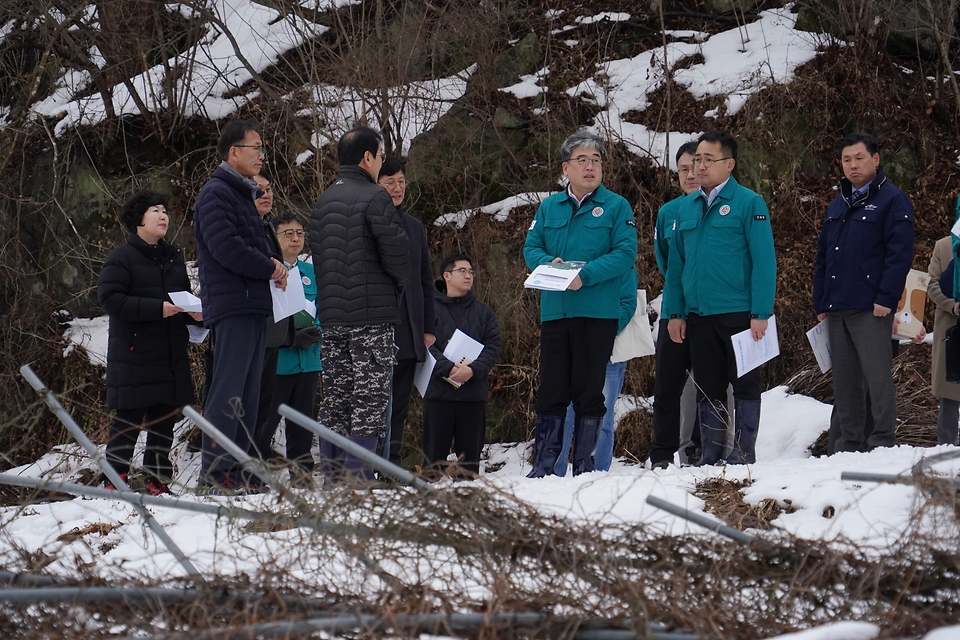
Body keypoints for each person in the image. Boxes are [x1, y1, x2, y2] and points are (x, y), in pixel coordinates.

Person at [523, 130, 637, 477]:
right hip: (556, 312)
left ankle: (584, 466)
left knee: (590, 391)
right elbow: (531, 248)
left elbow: (625, 253)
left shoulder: (617, 206)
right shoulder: (548, 207)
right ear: (565, 168)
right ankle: (544, 465)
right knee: (552, 390)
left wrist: (583, 275)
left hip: (597, 311)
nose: (590, 167)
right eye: (582, 160)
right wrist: (549, 266)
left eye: (596, 160)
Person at [665, 130, 777, 466]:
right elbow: (675, 267)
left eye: (707, 159)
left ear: (729, 164)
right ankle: (711, 453)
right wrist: (675, 312)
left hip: (740, 314)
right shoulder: (686, 207)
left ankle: (743, 452)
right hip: (699, 314)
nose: (699, 166)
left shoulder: (749, 203)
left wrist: (761, 312)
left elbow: (764, 261)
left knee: (744, 384)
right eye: (696, 159)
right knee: (708, 386)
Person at [308, 126, 410, 482]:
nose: (381, 163)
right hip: (371, 316)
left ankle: (334, 478)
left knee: (336, 397)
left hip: (333, 317)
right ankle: (358, 479)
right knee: (369, 398)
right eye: (380, 156)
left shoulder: (323, 200)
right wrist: (395, 285)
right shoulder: (374, 196)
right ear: (368, 157)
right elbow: (399, 257)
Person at [194, 120, 288, 491]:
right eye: (256, 147)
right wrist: (269, 266)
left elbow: (250, 244)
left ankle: (242, 472)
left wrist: (273, 264)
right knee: (228, 391)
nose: (262, 155)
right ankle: (215, 473)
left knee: (249, 395)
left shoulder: (241, 194)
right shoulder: (216, 193)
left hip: (251, 304)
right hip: (233, 305)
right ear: (234, 152)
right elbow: (227, 247)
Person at [812, 133, 914, 453]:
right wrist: (820, 301)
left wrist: (886, 297)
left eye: (859, 158)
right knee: (845, 381)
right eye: (846, 160)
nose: (852, 165)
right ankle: (849, 443)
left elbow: (899, 254)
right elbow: (823, 256)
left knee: (877, 378)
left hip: (871, 306)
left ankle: (882, 440)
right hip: (837, 305)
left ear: (875, 159)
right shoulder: (837, 204)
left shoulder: (892, 200)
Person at [98, 190, 200, 496]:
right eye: (155, 210)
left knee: (164, 420)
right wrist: (156, 308)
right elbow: (110, 299)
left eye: (165, 210)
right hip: (135, 353)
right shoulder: (121, 257)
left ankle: (157, 481)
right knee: (128, 420)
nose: (163, 215)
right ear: (138, 220)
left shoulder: (173, 258)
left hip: (170, 354)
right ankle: (114, 481)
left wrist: (197, 315)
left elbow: (182, 299)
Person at [378, 156, 436, 467]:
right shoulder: (366, 221)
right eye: (390, 183)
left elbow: (426, 279)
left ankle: (394, 462)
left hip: (411, 328)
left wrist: (428, 326)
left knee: (400, 402)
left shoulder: (414, 226)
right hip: (378, 325)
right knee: (374, 402)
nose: (397, 188)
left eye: (401, 182)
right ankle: (372, 460)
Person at [649, 141, 704, 468]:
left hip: (708, 311)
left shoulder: (714, 207)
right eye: (682, 169)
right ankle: (661, 454)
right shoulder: (667, 213)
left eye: (694, 167)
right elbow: (666, 262)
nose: (689, 174)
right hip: (674, 308)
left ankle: (698, 449)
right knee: (667, 385)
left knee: (707, 384)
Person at [257, 212, 324, 481]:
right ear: (274, 237)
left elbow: (323, 307)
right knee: (267, 421)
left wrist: (316, 328)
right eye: (288, 233)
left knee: (303, 421)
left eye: (299, 233)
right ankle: (257, 472)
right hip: (279, 359)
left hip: (308, 358)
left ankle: (302, 474)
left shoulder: (311, 272)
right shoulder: (267, 269)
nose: (296, 238)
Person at [422, 254, 502, 477]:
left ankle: (468, 509)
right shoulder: (429, 311)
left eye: (471, 272)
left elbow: (493, 345)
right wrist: (447, 368)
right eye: (463, 271)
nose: (469, 276)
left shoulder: (484, 312)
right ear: (446, 276)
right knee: (431, 467)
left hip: (472, 396)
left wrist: (473, 370)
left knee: (469, 470)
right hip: (439, 395)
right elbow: (426, 345)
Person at [555, 269, 637, 475]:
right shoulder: (575, 264)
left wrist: (602, 333)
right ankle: (556, 471)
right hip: (574, 349)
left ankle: (598, 473)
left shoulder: (622, 265)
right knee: (566, 412)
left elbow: (627, 303)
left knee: (604, 417)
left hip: (608, 353)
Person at [248, 169, 295, 464]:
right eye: (259, 190)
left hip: (274, 327)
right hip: (253, 325)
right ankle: (241, 466)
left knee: (264, 404)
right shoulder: (246, 226)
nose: (266, 195)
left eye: (269, 190)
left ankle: (254, 466)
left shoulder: (267, 226)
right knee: (249, 402)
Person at [927, 234, 960, 446]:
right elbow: (932, 284)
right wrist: (951, 304)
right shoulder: (943, 245)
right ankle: (946, 444)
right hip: (951, 328)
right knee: (950, 388)